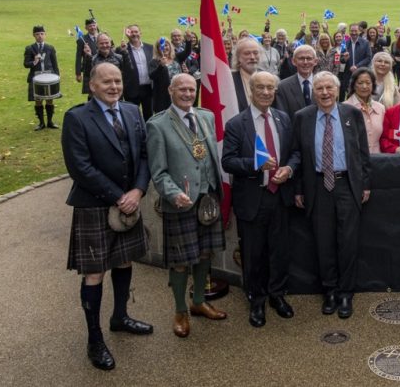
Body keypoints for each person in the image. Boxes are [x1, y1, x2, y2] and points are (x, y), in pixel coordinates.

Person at [61, 63, 153, 371]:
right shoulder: (76, 118)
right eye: (106, 82)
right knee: (95, 273)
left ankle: (120, 317)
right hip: (95, 205)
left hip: (130, 200)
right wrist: (119, 197)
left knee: (125, 261)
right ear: (92, 85)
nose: (114, 86)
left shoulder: (130, 111)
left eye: (117, 81)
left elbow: (143, 155)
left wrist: (138, 190)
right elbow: (80, 167)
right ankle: (94, 339)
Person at [146, 74, 227, 338]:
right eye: (181, 89)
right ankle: (180, 310)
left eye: (191, 89)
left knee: (205, 254)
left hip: (207, 200)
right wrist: (173, 194)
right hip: (181, 203)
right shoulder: (158, 125)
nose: (187, 93)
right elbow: (158, 172)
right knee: (180, 262)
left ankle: (199, 301)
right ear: (170, 90)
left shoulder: (206, 117)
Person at [291, 71, 371, 319]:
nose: (324, 93)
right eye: (319, 89)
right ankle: (330, 291)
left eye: (329, 88)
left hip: (346, 185)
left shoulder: (352, 114)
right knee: (323, 242)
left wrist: (365, 185)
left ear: (337, 91)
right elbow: (297, 155)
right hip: (317, 186)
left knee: (347, 242)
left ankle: (346, 293)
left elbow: (363, 154)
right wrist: (298, 189)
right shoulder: (302, 117)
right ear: (313, 92)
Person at [222, 71, 300, 327]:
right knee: (253, 254)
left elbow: (295, 153)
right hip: (253, 198)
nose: (266, 92)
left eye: (270, 88)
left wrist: (289, 169)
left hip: (280, 197)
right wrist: (255, 164)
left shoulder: (283, 118)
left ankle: (277, 295)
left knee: (280, 251)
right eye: (260, 88)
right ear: (251, 92)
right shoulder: (236, 124)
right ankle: (256, 301)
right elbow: (228, 162)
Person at [24, 25, 60, 130]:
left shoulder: (50, 48)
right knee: (38, 100)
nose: (40, 36)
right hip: (36, 77)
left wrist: (57, 77)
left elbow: (55, 63)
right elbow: (26, 64)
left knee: (49, 99)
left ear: (45, 35)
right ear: (33, 35)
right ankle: (41, 123)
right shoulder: (30, 48)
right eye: (37, 34)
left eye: (42, 34)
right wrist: (34, 61)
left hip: (50, 76)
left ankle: (50, 121)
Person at [344, 67, 386, 155]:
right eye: (360, 83)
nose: (364, 86)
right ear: (354, 85)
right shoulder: (345, 107)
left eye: (368, 83)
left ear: (373, 85)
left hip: (377, 160)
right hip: (353, 160)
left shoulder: (380, 108)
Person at [120, 24, 155, 120]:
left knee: (149, 116)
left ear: (140, 33)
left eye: (136, 31)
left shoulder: (150, 48)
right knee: (132, 117)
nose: (134, 34)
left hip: (148, 89)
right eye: (131, 32)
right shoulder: (122, 49)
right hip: (131, 89)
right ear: (127, 34)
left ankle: (149, 134)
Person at [274, 44, 317, 119]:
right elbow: (282, 117)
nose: (305, 62)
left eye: (309, 58)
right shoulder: (283, 86)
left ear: (315, 61)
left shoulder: (323, 85)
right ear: (293, 61)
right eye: (301, 58)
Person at [149, 38, 182, 114]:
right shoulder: (154, 62)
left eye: (166, 45)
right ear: (158, 49)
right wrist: (161, 66)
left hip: (177, 94)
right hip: (162, 97)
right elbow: (151, 76)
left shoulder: (175, 59)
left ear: (170, 47)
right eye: (161, 46)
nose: (164, 48)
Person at [231, 37, 262, 112]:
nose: (252, 57)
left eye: (255, 53)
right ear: (238, 57)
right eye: (247, 53)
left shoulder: (268, 78)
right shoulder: (229, 80)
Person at [75, 18, 99, 95]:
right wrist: (78, 73)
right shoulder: (82, 40)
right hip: (89, 69)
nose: (92, 27)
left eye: (94, 25)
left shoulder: (102, 37)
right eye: (90, 26)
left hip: (102, 67)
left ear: (96, 26)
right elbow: (78, 57)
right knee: (91, 92)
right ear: (86, 28)